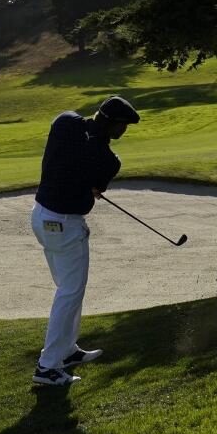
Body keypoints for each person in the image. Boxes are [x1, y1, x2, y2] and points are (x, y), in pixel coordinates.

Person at [30, 94, 140, 386]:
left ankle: (67, 351)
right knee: (69, 292)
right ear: (112, 123)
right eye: (123, 126)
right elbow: (95, 188)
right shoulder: (109, 160)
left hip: (40, 217)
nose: (123, 132)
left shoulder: (64, 122)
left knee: (69, 290)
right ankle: (47, 367)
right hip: (67, 225)